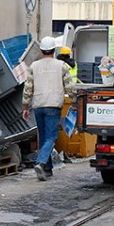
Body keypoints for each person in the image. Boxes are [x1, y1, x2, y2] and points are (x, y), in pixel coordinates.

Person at [21, 36, 74, 178]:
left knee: (44, 138)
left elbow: (28, 89)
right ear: (54, 50)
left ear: (41, 50)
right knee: (51, 137)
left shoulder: (34, 66)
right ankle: (41, 162)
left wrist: (25, 107)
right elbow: (69, 87)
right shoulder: (61, 66)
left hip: (38, 105)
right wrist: (74, 103)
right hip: (53, 105)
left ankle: (47, 169)